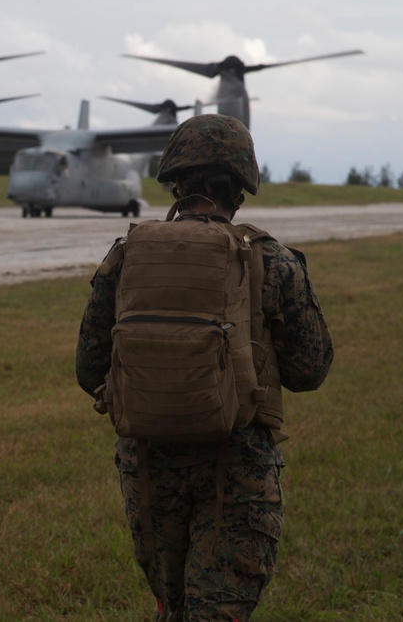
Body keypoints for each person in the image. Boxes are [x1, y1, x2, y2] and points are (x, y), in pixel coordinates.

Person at [75, 114, 333, 621]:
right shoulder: (272, 260)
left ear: (176, 183)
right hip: (236, 466)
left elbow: (89, 369)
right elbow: (310, 370)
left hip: (147, 469)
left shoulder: (128, 255)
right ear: (240, 189)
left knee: (173, 609)